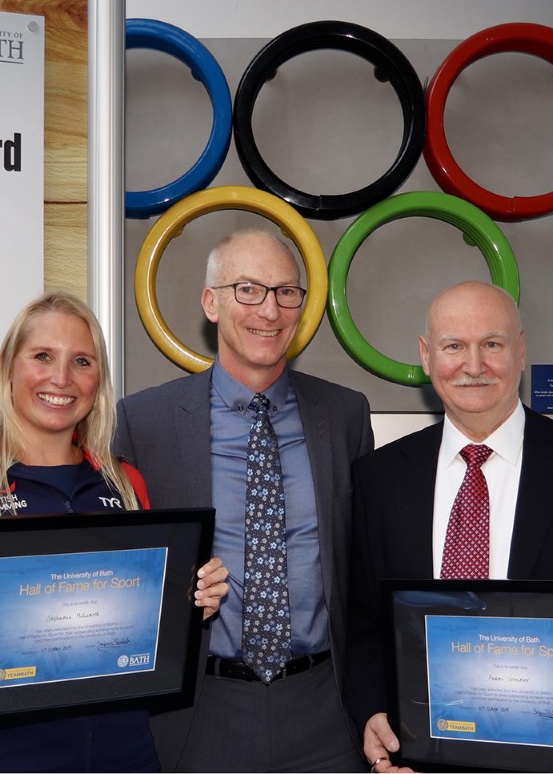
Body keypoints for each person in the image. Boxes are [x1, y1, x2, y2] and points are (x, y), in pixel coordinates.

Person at [0, 292, 229, 772]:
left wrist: (191, 603)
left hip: (126, 756)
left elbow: (146, 629)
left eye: (81, 361)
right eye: (43, 356)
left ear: (98, 379)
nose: (61, 379)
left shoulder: (125, 484)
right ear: (9, 367)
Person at [346, 281, 553, 772]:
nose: (473, 365)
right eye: (453, 346)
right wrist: (374, 711)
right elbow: (364, 620)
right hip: (427, 756)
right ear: (426, 356)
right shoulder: (380, 477)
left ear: (521, 350)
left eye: (492, 344)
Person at [114, 229, 374, 771]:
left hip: (326, 709)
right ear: (211, 302)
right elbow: (121, 566)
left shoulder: (345, 415)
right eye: (249, 289)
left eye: (286, 292)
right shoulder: (144, 423)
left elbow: (363, 562)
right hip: (201, 710)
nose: (270, 310)